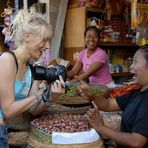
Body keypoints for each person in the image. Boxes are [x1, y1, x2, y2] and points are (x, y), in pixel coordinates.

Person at [0, 9, 66, 147]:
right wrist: (39, 94)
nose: (47, 46)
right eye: (44, 40)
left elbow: (33, 109)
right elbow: (8, 109)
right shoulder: (7, 60)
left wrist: (51, 96)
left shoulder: (31, 69)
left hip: (7, 131)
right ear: (27, 37)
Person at [77, 46, 148, 147]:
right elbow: (108, 104)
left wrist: (101, 127)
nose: (131, 66)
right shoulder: (136, 91)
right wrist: (91, 95)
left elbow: (137, 141)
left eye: (135, 62)